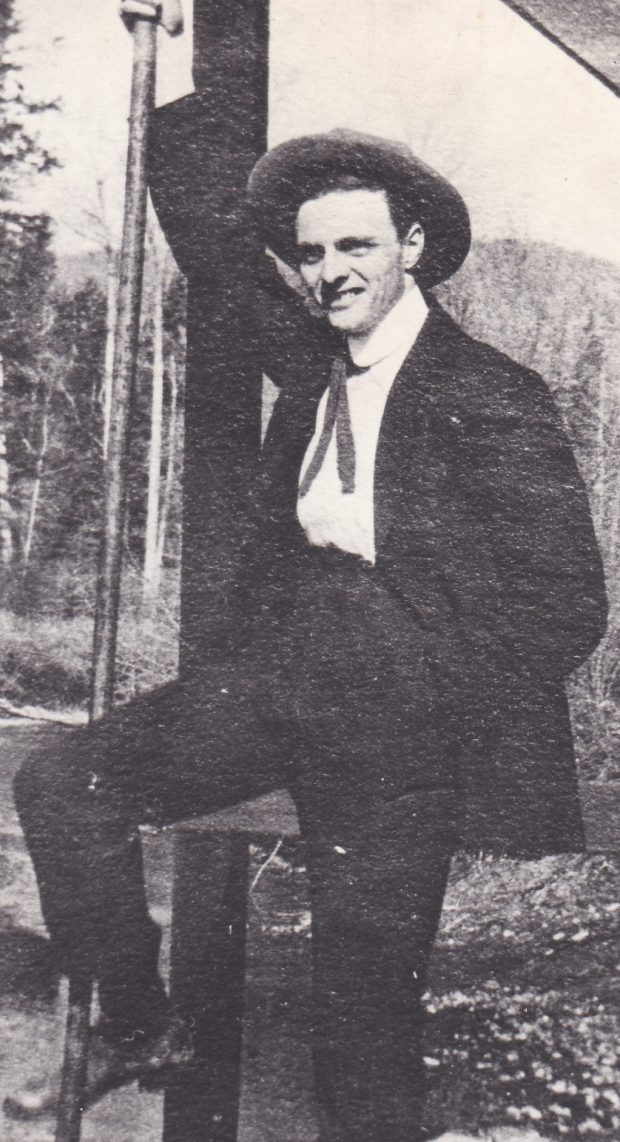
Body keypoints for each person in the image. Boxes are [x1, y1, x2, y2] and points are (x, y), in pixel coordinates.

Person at [7, 129, 607, 1140]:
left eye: (357, 248)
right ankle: (141, 1022)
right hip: (280, 688)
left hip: (402, 732)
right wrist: (174, 120)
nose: (331, 273)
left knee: (359, 1023)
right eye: (315, 253)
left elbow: (563, 603)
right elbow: (224, 258)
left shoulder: (490, 394)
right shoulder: (315, 365)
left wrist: (421, 694)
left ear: (411, 244)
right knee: (65, 783)